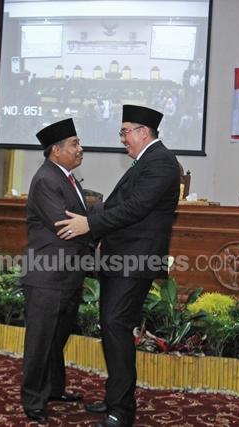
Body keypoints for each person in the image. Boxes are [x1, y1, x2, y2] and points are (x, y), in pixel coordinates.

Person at [55, 105, 180, 427]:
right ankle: (115, 399)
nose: (122, 138)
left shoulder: (162, 162)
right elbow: (117, 205)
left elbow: (135, 209)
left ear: (143, 132)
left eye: (125, 132)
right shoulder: (146, 161)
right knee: (112, 329)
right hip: (119, 259)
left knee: (116, 328)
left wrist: (89, 225)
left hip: (135, 261)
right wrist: (92, 218)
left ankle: (121, 412)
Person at [20, 118, 93, 424]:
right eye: (74, 143)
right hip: (47, 276)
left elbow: (83, 221)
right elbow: (66, 225)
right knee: (40, 340)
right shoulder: (47, 179)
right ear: (56, 150)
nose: (80, 148)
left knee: (56, 338)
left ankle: (53, 389)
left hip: (67, 275)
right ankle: (33, 399)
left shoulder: (67, 178)